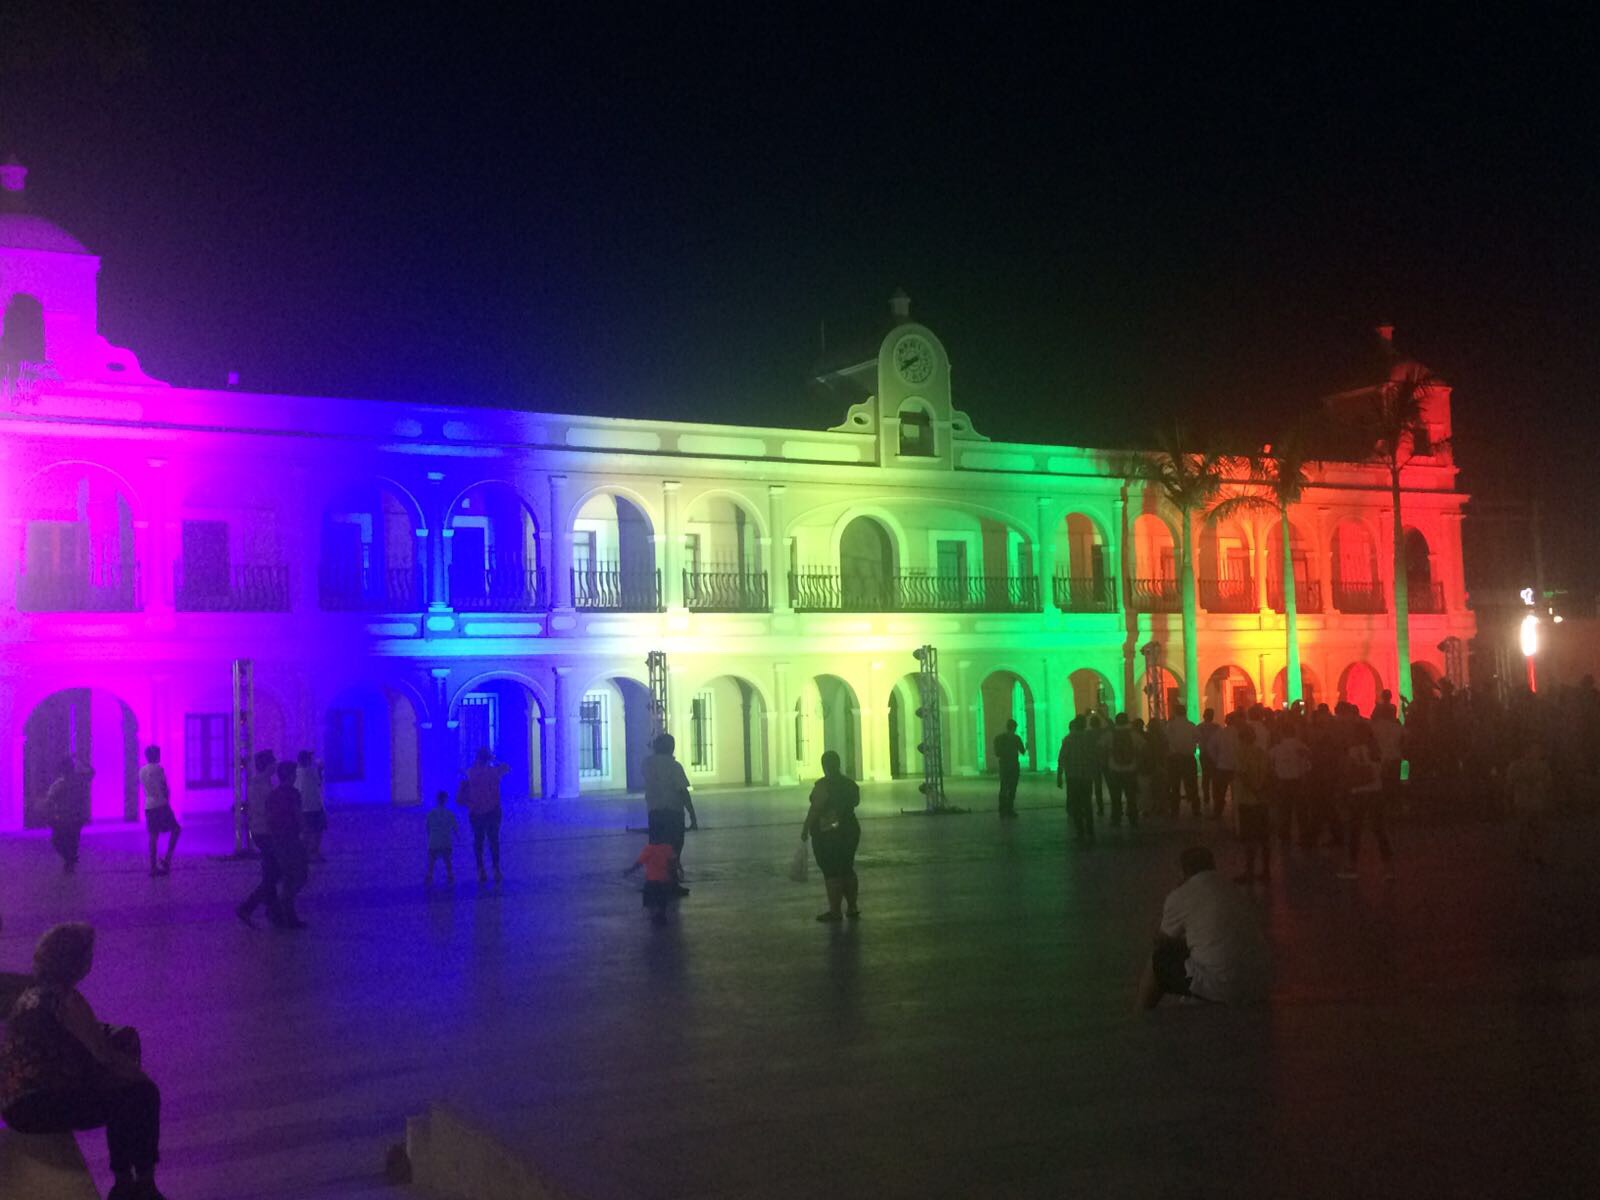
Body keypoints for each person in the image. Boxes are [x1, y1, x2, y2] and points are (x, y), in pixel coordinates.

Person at [0, 923, 167, 1199]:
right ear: (77, 962)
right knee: (142, 1094)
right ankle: (139, 1184)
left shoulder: (37, 993)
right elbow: (102, 1055)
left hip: (20, 1097)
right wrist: (135, 1074)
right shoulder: (64, 1000)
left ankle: (126, 1182)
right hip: (35, 1105)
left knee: (123, 1095)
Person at [1137, 846, 1270, 1010]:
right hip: (1259, 982)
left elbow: (1162, 941)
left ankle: (1140, 1014)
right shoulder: (1232, 888)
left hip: (1224, 986)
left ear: (1182, 871)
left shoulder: (1181, 894)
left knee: (1158, 960)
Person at [801, 750, 861, 922]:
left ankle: (835, 911)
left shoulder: (822, 786)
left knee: (832, 872)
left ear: (824, 766)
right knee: (847, 868)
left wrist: (805, 829)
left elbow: (815, 810)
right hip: (850, 829)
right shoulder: (850, 784)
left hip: (829, 834)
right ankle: (852, 907)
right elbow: (856, 802)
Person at [237, 750, 284, 927]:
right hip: (264, 831)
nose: (276, 765)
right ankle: (248, 907)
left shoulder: (262, 783)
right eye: (273, 762)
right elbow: (266, 810)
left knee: (271, 871)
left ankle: (272, 910)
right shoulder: (261, 785)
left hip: (261, 830)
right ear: (268, 765)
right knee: (275, 872)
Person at [1340, 725, 1392, 880]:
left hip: (1358, 793)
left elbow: (1347, 771)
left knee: (1355, 830)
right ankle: (1388, 867)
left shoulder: (1353, 751)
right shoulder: (1376, 751)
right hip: (1376, 791)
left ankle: (1352, 867)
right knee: (1379, 830)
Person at [642, 733, 698, 861]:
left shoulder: (647, 765)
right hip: (674, 813)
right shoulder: (675, 767)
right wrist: (692, 816)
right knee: (675, 846)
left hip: (654, 812)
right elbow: (683, 792)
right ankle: (674, 867)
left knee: (656, 845)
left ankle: (658, 872)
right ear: (671, 748)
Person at [267, 761, 308, 928]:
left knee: (288, 875)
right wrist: (304, 831)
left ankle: (285, 911)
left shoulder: (273, 794)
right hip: (291, 838)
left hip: (277, 839)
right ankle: (287, 908)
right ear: (290, 775)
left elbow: (268, 817)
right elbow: (298, 815)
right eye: (294, 774)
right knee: (299, 874)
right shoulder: (293, 794)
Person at [463, 747, 510, 883]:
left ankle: (481, 870)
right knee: (493, 841)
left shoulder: (472, 772)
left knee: (478, 842)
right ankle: (496, 869)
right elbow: (507, 767)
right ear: (488, 758)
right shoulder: (493, 772)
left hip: (476, 812)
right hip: (493, 812)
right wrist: (495, 759)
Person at [1232, 724, 1272, 883]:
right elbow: (1269, 774)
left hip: (1247, 800)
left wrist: (1254, 790)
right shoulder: (1262, 753)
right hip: (1262, 800)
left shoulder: (1240, 753)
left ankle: (1249, 871)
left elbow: (1243, 775)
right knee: (1264, 838)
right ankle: (1266, 870)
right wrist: (1262, 790)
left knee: (1249, 838)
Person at [1506, 740, 1553, 866]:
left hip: (1536, 802)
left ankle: (1536, 852)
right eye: (1535, 750)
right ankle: (1524, 849)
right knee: (1524, 827)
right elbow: (1510, 783)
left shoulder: (1543, 766)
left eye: (1539, 750)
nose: (1538, 752)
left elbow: (1549, 783)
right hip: (1523, 801)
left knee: (1537, 828)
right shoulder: (1516, 766)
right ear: (1526, 751)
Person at [1268, 718, 1312, 849]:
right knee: (1301, 812)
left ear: (1281, 733)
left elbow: (1269, 763)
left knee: (1284, 812)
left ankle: (1285, 838)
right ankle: (1304, 837)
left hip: (1282, 783)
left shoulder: (1276, 749)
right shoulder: (1302, 746)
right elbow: (1309, 763)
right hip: (1299, 782)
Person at [44, 756, 93, 874]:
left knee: (59, 840)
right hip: (75, 815)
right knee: (72, 839)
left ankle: (69, 860)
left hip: (64, 815)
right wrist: (81, 760)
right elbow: (91, 772)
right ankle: (70, 859)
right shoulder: (79, 781)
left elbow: (50, 799)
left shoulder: (60, 784)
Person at [138, 746, 180, 877]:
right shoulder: (159, 769)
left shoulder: (142, 771)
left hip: (149, 806)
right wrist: (168, 797)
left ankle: (152, 867)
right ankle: (167, 859)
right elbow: (164, 786)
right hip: (161, 804)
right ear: (156, 755)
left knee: (153, 836)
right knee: (176, 829)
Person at [624, 832, 683, 925]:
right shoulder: (668, 848)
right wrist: (678, 873)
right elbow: (674, 862)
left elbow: (639, 863)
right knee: (662, 900)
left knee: (650, 901)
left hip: (652, 881)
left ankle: (653, 918)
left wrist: (629, 871)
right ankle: (662, 917)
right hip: (664, 880)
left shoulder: (649, 849)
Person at [1056, 716, 1097, 846]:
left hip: (1073, 776)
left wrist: (1059, 775)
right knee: (1087, 803)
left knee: (1076, 805)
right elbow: (1095, 756)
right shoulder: (1090, 739)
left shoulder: (1068, 740)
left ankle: (1080, 832)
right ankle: (1090, 830)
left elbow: (1062, 758)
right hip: (1087, 776)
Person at [1105, 713, 1141, 828]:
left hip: (1114, 769)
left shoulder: (1110, 734)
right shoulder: (1133, 734)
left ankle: (1116, 818)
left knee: (1115, 796)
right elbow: (1143, 747)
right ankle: (1133, 818)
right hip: (1131, 769)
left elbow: (1099, 746)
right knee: (1131, 796)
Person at [1165, 704, 1200, 818]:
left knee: (1174, 786)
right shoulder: (1191, 726)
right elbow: (1198, 738)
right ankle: (1196, 810)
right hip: (1188, 758)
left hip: (1174, 759)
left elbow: (1167, 740)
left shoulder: (1171, 726)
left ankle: (1175, 811)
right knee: (1192, 785)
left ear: (1175, 712)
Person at [296, 750, 328, 862]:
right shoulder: (311, 772)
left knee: (306, 833)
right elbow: (319, 782)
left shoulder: (296, 773)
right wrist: (320, 768)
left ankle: (305, 854)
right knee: (317, 831)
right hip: (315, 807)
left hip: (303, 808)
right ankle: (313, 853)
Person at [992, 718, 1025, 819]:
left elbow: (997, 753)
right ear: (1014, 728)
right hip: (1014, 766)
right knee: (1012, 788)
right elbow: (1022, 751)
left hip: (1004, 765)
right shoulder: (1016, 738)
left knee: (1003, 787)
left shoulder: (999, 738)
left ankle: (1002, 809)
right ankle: (1009, 809)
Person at [425, 789, 458, 885]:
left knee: (432, 860)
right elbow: (455, 827)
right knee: (447, 859)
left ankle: (430, 874)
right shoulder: (449, 814)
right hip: (445, 841)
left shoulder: (431, 813)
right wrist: (457, 837)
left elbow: (427, 827)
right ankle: (450, 874)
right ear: (446, 800)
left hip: (434, 841)